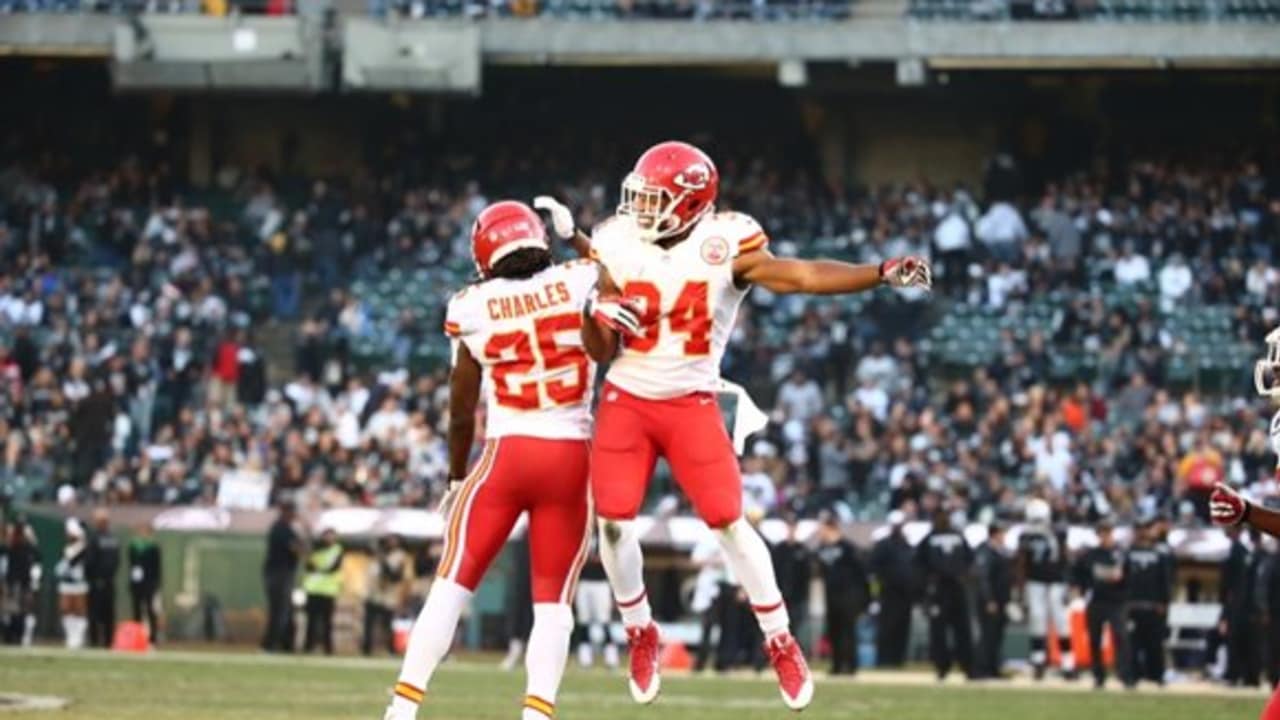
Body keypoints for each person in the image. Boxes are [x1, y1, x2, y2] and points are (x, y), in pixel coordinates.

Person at [542, 140, 931, 710]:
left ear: (692, 202)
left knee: (729, 521)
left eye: (655, 199)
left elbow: (798, 276)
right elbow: (600, 349)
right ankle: (640, 631)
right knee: (615, 525)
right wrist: (591, 311)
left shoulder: (727, 242)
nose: (641, 210)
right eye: (641, 197)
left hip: (693, 399)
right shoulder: (615, 240)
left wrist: (877, 273)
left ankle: (780, 638)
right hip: (627, 396)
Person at [385, 200, 599, 720]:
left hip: (508, 455)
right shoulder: (580, 279)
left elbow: (461, 411)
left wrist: (457, 477)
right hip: (572, 457)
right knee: (553, 605)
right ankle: (535, 714)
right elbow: (615, 273)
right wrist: (579, 238)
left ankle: (401, 710)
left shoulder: (470, 306)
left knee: (451, 586)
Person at [1016, 498, 1075, 680]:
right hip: (1035, 581)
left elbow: (1065, 557)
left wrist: (1068, 582)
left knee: (1061, 620)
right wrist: (1020, 586)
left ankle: (1068, 662)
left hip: (1055, 582)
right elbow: (1022, 561)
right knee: (1037, 618)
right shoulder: (1025, 536)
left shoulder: (1058, 533)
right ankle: (1038, 660)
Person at [1071, 518, 1131, 689]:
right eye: (1102, 532)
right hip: (1096, 600)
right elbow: (1077, 572)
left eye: (1108, 532)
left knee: (1121, 637)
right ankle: (1099, 675)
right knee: (1094, 639)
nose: (1105, 536)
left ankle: (1124, 674)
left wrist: (1125, 590)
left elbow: (1128, 575)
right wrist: (1078, 587)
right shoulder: (1091, 555)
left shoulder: (1121, 553)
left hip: (1116, 601)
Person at [915, 507, 974, 680]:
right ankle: (964, 666)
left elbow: (919, 564)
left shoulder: (930, 538)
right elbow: (970, 559)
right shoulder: (957, 536)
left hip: (941, 587)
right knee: (956, 629)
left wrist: (925, 585)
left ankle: (947, 666)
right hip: (951, 586)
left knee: (945, 630)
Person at [814, 511, 868, 676]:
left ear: (830, 528)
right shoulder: (821, 549)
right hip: (831, 596)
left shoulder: (848, 548)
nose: (819, 532)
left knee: (848, 631)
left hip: (848, 595)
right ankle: (836, 665)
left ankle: (850, 666)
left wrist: (862, 598)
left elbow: (861, 573)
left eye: (822, 528)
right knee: (833, 631)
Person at [1126, 515, 1172, 686]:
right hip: (1133, 604)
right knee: (1133, 643)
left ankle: (1157, 675)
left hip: (1153, 605)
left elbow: (1165, 580)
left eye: (1145, 528)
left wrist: (1164, 602)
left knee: (1155, 643)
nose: (1142, 532)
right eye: (1139, 529)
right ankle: (1133, 676)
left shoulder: (1159, 553)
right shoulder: (1128, 552)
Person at [870, 510, 915, 667]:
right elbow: (873, 571)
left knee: (902, 628)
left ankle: (898, 659)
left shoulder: (908, 546)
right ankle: (884, 660)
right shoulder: (883, 546)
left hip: (905, 595)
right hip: (888, 594)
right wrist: (875, 596)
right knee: (887, 628)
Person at [1221, 524, 1261, 686]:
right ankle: (1247, 676)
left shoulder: (1240, 551)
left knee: (1240, 640)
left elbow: (1228, 584)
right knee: (1244, 641)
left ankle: (1239, 675)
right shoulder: (1242, 550)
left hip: (1241, 603)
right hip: (1244, 603)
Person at [974, 522, 1012, 679]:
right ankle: (981, 669)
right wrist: (989, 599)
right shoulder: (985, 552)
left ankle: (993, 668)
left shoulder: (1000, 552)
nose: (1005, 537)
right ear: (995, 534)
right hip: (990, 601)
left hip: (1001, 600)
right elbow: (984, 578)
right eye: (1003, 533)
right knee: (987, 635)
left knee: (996, 635)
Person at [262, 500, 301, 653]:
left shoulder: (284, 528)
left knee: (284, 610)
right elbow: (298, 549)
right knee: (280, 610)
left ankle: (285, 644)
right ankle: (271, 644)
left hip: (279, 573)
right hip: (279, 573)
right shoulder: (281, 529)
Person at [769, 511, 812, 652]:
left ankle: (792, 654)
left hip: (798, 596)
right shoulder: (779, 550)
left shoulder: (803, 550)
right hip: (780, 596)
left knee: (796, 627)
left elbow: (808, 575)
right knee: (778, 628)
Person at [575, 537, 619, 670]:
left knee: (604, 620)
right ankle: (585, 659)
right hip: (583, 582)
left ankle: (611, 658)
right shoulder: (582, 534)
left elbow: (611, 558)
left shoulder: (604, 535)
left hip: (601, 583)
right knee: (583, 621)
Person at [364, 534, 410, 657]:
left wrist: (383, 560)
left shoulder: (399, 556)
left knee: (387, 623)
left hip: (388, 594)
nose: (391, 543)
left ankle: (390, 649)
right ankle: (367, 649)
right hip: (373, 593)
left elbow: (395, 575)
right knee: (369, 623)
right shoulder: (378, 554)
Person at [303, 527, 344, 655]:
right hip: (312, 589)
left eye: (331, 536)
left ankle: (328, 648)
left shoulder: (337, 550)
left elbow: (332, 568)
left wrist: (317, 567)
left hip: (328, 591)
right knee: (311, 621)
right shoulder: (315, 549)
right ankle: (309, 647)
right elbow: (309, 566)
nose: (328, 538)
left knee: (327, 622)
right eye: (327, 536)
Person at [85, 508, 120, 648]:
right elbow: (117, 560)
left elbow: (90, 561)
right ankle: (105, 641)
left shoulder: (95, 538)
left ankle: (98, 641)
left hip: (98, 581)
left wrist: (92, 576)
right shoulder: (113, 538)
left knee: (97, 613)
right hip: (107, 580)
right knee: (106, 613)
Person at [3, 518, 39, 646]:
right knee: (13, 612)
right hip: (15, 583)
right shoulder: (13, 544)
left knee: (21, 612)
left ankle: (17, 636)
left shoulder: (26, 545)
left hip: (23, 583)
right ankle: (11, 636)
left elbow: (37, 555)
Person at [127, 523, 162, 644]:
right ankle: (137, 636)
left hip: (149, 582)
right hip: (137, 582)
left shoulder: (153, 547)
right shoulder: (133, 546)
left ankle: (152, 637)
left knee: (150, 609)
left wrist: (156, 583)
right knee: (136, 609)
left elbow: (157, 567)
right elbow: (131, 565)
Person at [57, 518, 89, 649]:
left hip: (80, 583)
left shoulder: (83, 547)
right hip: (66, 582)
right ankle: (71, 636)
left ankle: (78, 637)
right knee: (65, 608)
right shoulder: (67, 547)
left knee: (79, 609)